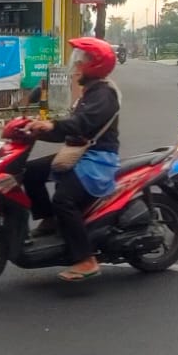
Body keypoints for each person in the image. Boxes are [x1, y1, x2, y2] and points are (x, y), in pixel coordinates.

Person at [21, 37, 121, 283]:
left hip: (98, 157)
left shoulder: (104, 94)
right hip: (81, 151)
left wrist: (53, 125)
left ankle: (86, 259)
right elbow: (69, 130)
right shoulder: (90, 93)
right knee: (30, 172)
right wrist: (37, 129)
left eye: (80, 61)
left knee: (63, 199)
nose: (75, 66)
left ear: (94, 65)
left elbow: (81, 124)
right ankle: (50, 221)